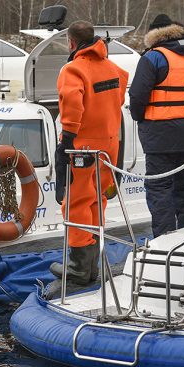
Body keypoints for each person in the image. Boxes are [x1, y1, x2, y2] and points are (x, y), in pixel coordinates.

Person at [45, 21, 129, 299]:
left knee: (76, 203)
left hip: (83, 148)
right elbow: (121, 85)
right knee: (97, 201)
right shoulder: (111, 68)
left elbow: (71, 101)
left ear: (71, 43)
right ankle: (92, 265)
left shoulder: (73, 70)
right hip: (108, 147)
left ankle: (80, 267)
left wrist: (67, 139)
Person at [129, 14, 184, 238]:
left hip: (159, 136)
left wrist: (141, 118)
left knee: (160, 189)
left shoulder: (153, 58)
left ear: (154, 35)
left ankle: (164, 242)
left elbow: (138, 97)